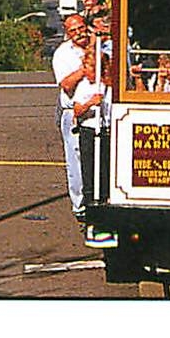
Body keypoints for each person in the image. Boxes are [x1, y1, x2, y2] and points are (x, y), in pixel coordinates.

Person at [52, 13, 111, 245]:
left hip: (102, 115)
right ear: (68, 33)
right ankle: (81, 208)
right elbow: (66, 85)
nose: (79, 33)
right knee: (77, 161)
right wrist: (85, 69)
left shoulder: (97, 45)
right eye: (73, 30)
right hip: (74, 111)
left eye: (81, 28)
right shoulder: (63, 54)